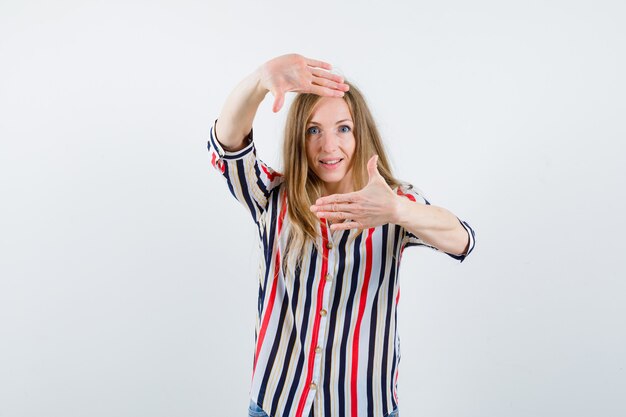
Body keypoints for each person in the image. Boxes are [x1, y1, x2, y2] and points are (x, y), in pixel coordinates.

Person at [207, 54, 476, 417]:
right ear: (299, 139)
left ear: (360, 132)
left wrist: (397, 211)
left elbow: (462, 240)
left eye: (343, 128)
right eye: (313, 130)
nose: (329, 146)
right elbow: (227, 145)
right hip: (278, 405)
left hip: (364, 407)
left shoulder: (395, 202)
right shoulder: (271, 196)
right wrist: (259, 81)